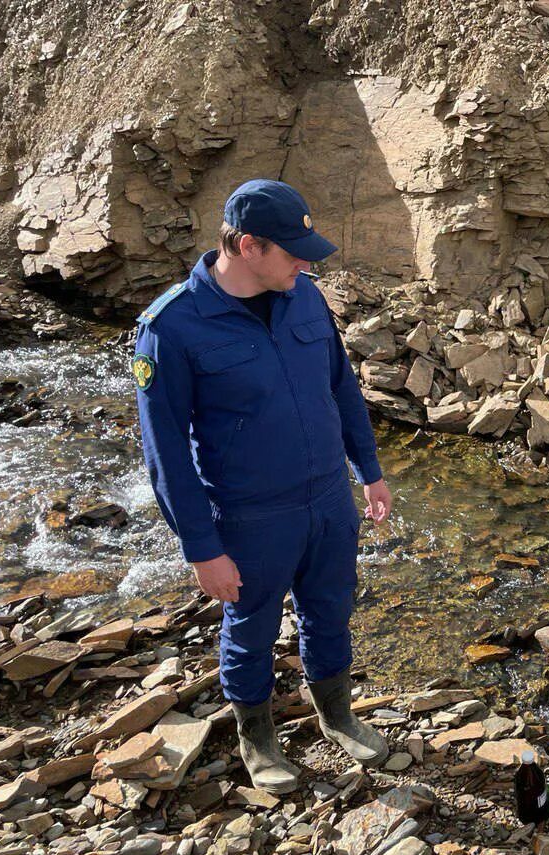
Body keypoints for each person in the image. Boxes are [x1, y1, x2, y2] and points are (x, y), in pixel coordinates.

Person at [133, 179, 393, 794]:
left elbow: (342, 389)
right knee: (249, 628)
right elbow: (164, 453)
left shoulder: (304, 298)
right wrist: (202, 548)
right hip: (250, 515)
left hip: (328, 497)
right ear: (248, 246)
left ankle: (337, 714)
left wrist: (370, 471)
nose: (306, 262)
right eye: (293, 250)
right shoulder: (172, 327)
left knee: (331, 611)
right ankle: (257, 737)